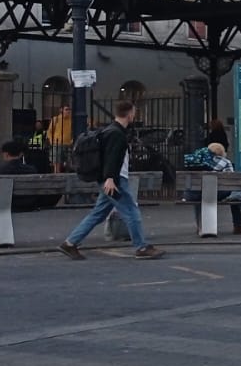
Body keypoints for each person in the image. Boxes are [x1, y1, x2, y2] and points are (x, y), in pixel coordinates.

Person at [58, 100, 163, 261]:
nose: (134, 115)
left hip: (108, 178)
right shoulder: (117, 134)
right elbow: (112, 159)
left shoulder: (110, 130)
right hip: (115, 179)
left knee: (98, 214)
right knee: (131, 211)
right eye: (133, 112)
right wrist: (110, 178)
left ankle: (70, 242)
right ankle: (141, 247)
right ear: (129, 114)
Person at [192, 142, 241, 234]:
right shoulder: (226, 162)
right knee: (235, 198)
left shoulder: (201, 162)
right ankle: (238, 226)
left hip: (205, 193)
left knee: (199, 198)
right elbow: (232, 181)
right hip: (222, 193)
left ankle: (200, 226)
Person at [46, 104, 73, 173]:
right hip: (57, 143)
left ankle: (67, 176)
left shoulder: (72, 120)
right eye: (66, 109)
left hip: (68, 143)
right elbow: (49, 131)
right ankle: (57, 175)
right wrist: (52, 141)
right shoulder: (56, 119)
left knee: (69, 162)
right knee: (56, 162)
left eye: (69, 109)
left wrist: (72, 140)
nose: (68, 111)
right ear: (61, 110)